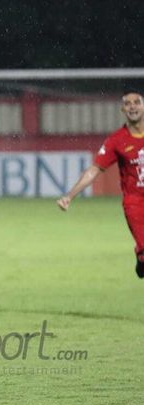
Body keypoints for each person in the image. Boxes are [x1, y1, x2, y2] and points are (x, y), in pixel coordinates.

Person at [57, 91, 144, 278]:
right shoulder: (116, 141)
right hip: (135, 202)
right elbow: (94, 170)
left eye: (137, 102)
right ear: (123, 109)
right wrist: (69, 196)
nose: (133, 106)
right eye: (128, 104)